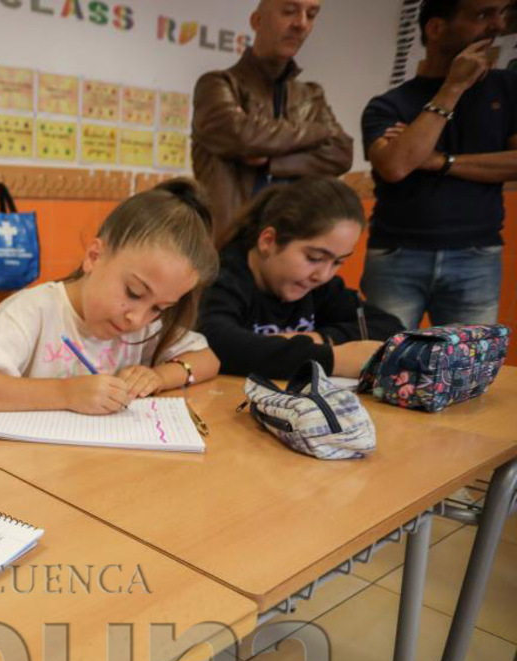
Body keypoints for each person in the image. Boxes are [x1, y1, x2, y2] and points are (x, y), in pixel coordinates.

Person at [0, 180, 220, 415]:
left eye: (159, 308)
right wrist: (66, 393)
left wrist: (160, 376)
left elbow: (208, 359)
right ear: (94, 256)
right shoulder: (35, 309)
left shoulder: (143, 328)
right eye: (133, 293)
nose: (137, 318)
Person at [360, 0, 516, 330]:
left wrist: (440, 161)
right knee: (382, 367)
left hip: (477, 256)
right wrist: (453, 87)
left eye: (501, 14)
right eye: (483, 15)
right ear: (436, 29)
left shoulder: (507, 88)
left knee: (469, 374)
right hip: (396, 256)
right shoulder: (387, 105)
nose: (498, 26)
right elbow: (397, 166)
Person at [198, 177, 403, 379]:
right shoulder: (223, 276)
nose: (323, 275)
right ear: (268, 241)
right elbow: (216, 342)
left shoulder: (319, 287)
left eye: (338, 262)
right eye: (314, 258)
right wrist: (334, 359)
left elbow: (389, 327)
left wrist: (318, 338)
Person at [192, 0, 353, 234]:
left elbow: (342, 153)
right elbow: (242, 136)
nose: (301, 24)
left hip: (292, 242)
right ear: (257, 21)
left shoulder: (311, 94)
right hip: (229, 245)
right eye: (289, 11)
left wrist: (272, 161)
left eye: (311, 14)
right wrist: (318, 132)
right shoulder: (217, 85)